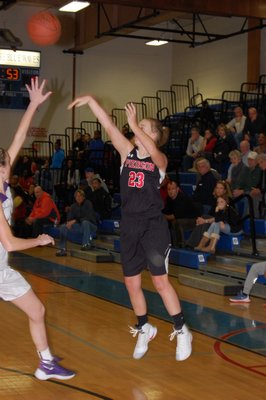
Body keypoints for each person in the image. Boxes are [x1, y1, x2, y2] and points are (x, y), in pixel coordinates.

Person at [68, 95, 192, 361]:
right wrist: (91, 101)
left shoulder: (160, 160)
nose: (137, 130)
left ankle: (182, 329)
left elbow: (150, 148)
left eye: (145, 128)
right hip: (130, 226)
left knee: (159, 281)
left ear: (155, 136)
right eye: (139, 127)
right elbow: (109, 125)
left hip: (153, 226)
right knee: (131, 283)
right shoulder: (127, 152)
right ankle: (144, 326)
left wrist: (135, 125)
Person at [0, 77, 74, 380]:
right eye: (6, 163)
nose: (10, 165)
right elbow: (11, 244)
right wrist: (40, 240)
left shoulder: (2, 182)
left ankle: (46, 364)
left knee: (37, 311)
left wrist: (32, 104)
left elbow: (18, 138)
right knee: (37, 310)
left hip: (1, 271)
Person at [185, 180, 232, 249]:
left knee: (205, 220)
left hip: (224, 223)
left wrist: (204, 220)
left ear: (225, 191)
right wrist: (201, 219)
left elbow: (221, 217)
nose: (218, 190)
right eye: (217, 188)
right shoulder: (215, 199)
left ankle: (201, 244)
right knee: (204, 218)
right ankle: (192, 244)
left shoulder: (226, 200)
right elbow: (211, 214)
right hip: (216, 220)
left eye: (221, 188)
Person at [56, 189, 97, 256]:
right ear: (75, 198)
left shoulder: (88, 203)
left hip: (91, 225)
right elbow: (69, 219)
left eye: (80, 196)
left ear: (83, 197)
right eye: (77, 196)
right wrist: (69, 223)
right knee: (63, 226)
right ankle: (62, 249)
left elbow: (88, 217)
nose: (78, 197)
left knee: (85, 222)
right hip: (80, 226)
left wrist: (75, 220)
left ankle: (86, 244)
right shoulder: (73, 206)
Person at [162, 180, 200, 247]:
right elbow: (165, 211)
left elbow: (175, 216)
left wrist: (162, 216)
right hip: (182, 219)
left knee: (176, 222)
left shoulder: (182, 198)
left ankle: (180, 245)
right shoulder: (169, 199)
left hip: (194, 220)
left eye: (173, 189)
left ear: (177, 189)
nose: (170, 191)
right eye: (169, 189)